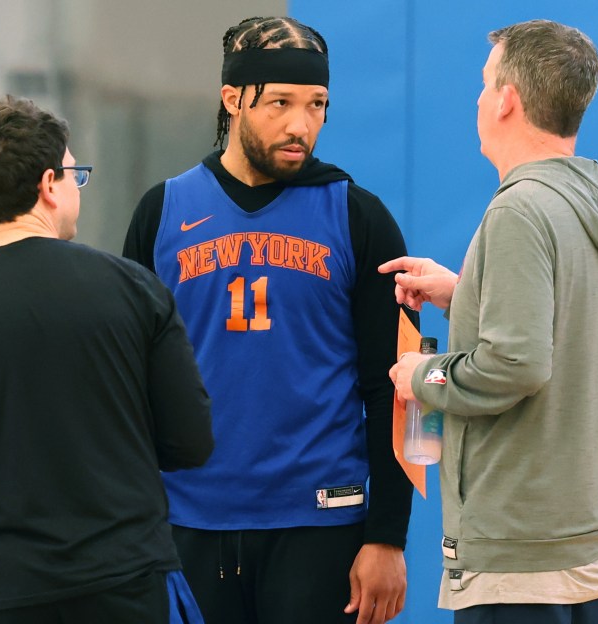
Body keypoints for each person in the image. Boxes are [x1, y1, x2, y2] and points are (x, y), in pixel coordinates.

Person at [123, 16, 415, 624]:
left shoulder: (359, 218)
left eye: (316, 104)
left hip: (322, 521)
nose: (300, 125)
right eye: (280, 102)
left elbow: (395, 387)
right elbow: (128, 385)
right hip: (188, 521)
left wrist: (388, 536)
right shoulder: (162, 212)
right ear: (233, 100)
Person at [0, 96, 214, 624]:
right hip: (129, 583)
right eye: (74, 174)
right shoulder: (135, 291)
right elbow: (190, 442)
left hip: (8, 593)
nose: (76, 187)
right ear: (48, 185)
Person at [381, 20, 598, 624]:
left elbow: (515, 366)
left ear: (507, 99)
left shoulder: (519, 210)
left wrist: (421, 375)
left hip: (526, 562)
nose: (477, 99)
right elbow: (569, 326)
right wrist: (465, 293)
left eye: (484, 84)